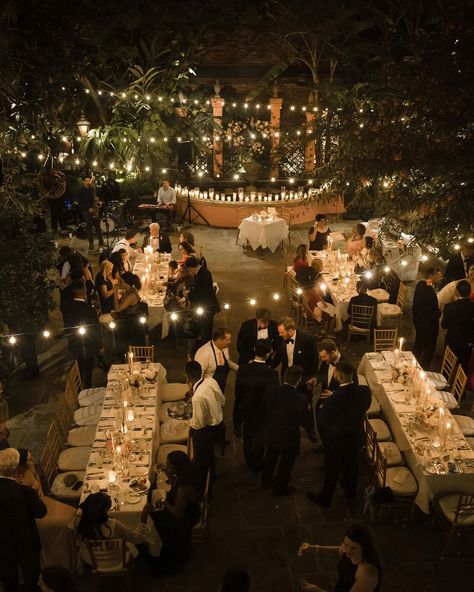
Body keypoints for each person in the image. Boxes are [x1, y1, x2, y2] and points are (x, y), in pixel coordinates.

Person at [307, 362, 371, 508]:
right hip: (356, 437)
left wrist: (327, 439)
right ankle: (351, 493)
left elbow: (322, 422)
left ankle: (325, 497)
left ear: (340, 376)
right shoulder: (364, 391)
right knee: (351, 465)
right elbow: (365, 405)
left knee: (332, 469)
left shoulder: (333, 400)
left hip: (337, 442)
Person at [14, 449, 77, 570]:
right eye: (29, 459)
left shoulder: (30, 468)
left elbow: (39, 487)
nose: (32, 460)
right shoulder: (19, 480)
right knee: (64, 523)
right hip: (36, 512)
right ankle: (60, 558)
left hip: (43, 502)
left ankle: (71, 551)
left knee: (72, 513)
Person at [141, 451, 200, 576]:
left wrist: (163, 501)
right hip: (181, 507)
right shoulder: (185, 473)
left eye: (168, 464)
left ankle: (156, 549)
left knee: (153, 516)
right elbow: (173, 482)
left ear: (176, 466)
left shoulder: (183, 488)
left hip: (184, 518)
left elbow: (179, 514)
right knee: (154, 506)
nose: (165, 464)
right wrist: (166, 472)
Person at [261, 366, 316, 496]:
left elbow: (263, 409)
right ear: (298, 381)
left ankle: (266, 481)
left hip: (271, 431)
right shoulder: (300, 398)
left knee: (270, 456)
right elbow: (303, 421)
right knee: (286, 462)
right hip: (289, 436)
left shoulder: (270, 391)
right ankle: (280, 488)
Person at [0, 448, 47, 592]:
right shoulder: (24, 491)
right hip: (26, 539)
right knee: (31, 575)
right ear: (15, 469)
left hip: (2, 542)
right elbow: (41, 512)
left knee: (8, 577)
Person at [233, 340, 279, 471]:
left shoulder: (243, 369)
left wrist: (236, 416)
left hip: (247, 409)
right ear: (269, 353)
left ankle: (250, 463)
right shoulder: (272, 373)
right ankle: (258, 463)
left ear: (254, 351)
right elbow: (273, 397)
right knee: (260, 438)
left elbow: (238, 394)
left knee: (247, 437)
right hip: (263, 412)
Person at [298, 524, 381, 592]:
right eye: (345, 544)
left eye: (353, 548)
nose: (347, 550)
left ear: (364, 547)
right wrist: (315, 548)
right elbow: (339, 550)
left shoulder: (367, 574)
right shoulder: (348, 550)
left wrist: (316, 590)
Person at [76, 492, 151, 566]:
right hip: (115, 559)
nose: (109, 496)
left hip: (92, 560)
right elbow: (137, 538)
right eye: (108, 498)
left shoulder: (80, 523)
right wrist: (144, 515)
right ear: (105, 507)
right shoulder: (113, 526)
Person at [186, 361, 225, 491]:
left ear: (188, 376)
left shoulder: (198, 398)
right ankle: (212, 474)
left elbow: (199, 424)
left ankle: (203, 489)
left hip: (205, 431)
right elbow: (222, 400)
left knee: (201, 461)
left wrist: (187, 421)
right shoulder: (210, 381)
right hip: (219, 425)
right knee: (209, 455)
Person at [62, 280, 103, 388]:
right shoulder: (89, 310)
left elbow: (67, 326)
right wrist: (100, 346)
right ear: (84, 291)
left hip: (75, 344)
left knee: (78, 367)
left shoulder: (67, 308)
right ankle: (87, 388)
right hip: (88, 345)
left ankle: (79, 388)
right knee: (88, 370)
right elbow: (95, 329)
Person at [185, 256, 220, 347]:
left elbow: (200, 294)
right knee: (204, 327)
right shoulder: (203, 272)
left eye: (189, 269)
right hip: (206, 305)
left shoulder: (202, 275)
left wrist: (188, 295)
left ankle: (205, 346)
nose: (189, 271)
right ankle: (202, 343)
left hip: (206, 307)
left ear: (192, 267)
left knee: (206, 329)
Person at [412, 268, 442, 369]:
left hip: (419, 323)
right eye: (439, 275)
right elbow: (431, 312)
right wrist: (439, 311)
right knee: (427, 350)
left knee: (418, 346)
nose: (440, 277)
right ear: (432, 275)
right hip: (427, 326)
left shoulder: (421, 284)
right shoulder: (428, 291)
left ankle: (413, 366)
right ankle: (422, 369)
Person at [112, 272, 147, 357]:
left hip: (132, 325)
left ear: (127, 283)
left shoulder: (131, 294)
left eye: (121, 281)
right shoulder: (129, 290)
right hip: (129, 321)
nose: (119, 283)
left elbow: (118, 309)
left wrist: (115, 293)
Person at [194, 328, 239, 394]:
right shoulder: (204, 352)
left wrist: (240, 369)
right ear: (219, 340)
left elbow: (226, 362)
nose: (230, 342)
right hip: (208, 389)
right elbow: (198, 375)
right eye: (228, 340)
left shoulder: (224, 347)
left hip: (220, 388)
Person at [441, 280, 474, 368]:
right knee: (463, 369)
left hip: (452, 343)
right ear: (470, 292)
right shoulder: (472, 307)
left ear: (457, 292)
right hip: (467, 345)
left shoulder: (450, 307)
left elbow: (444, 326)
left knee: (447, 367)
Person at [76, 173, 103, 251]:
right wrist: (88, 208)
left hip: (95, 210)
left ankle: (101, 242)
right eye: (87, 181)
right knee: (89, 228)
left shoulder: (92, 189)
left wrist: (97, 199)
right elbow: (80, 204)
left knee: (98, 227)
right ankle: (91, 243)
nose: (88, 182)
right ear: (83, 182)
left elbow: (95, 199)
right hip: (86, 211)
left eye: (89, 181)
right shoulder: (80, 191)